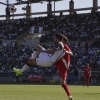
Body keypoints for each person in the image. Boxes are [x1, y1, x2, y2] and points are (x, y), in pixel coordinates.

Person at [55, 36, 74, 100]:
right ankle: (70, 96)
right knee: (62, 83)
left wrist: (65, 51)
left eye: (61, 40)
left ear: (64, 41)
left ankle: (70, 96)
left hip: (64, 66)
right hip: (60, 64)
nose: (60, 41)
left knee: (62, 83)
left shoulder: (65, 46)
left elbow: (71, 53)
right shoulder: (59, 47)